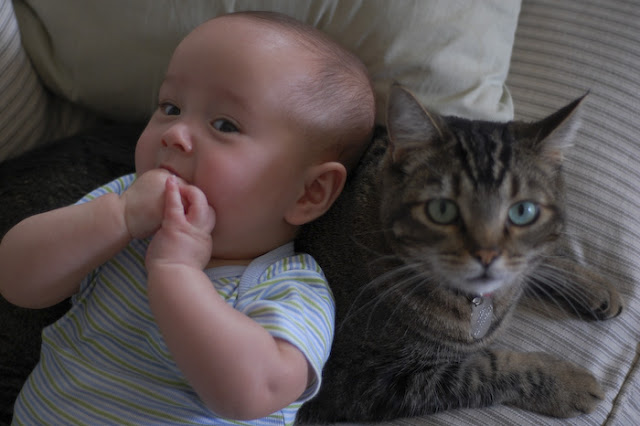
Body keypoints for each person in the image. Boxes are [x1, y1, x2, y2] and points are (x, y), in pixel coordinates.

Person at [0, 11, 375, 425]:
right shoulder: (123, 211)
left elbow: (251, 394)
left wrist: (176, 272)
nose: (174, 133)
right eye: (171, 106)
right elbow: (16, 277)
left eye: (224, 124)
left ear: (309, 192)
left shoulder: (290, 287)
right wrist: (117, 217)